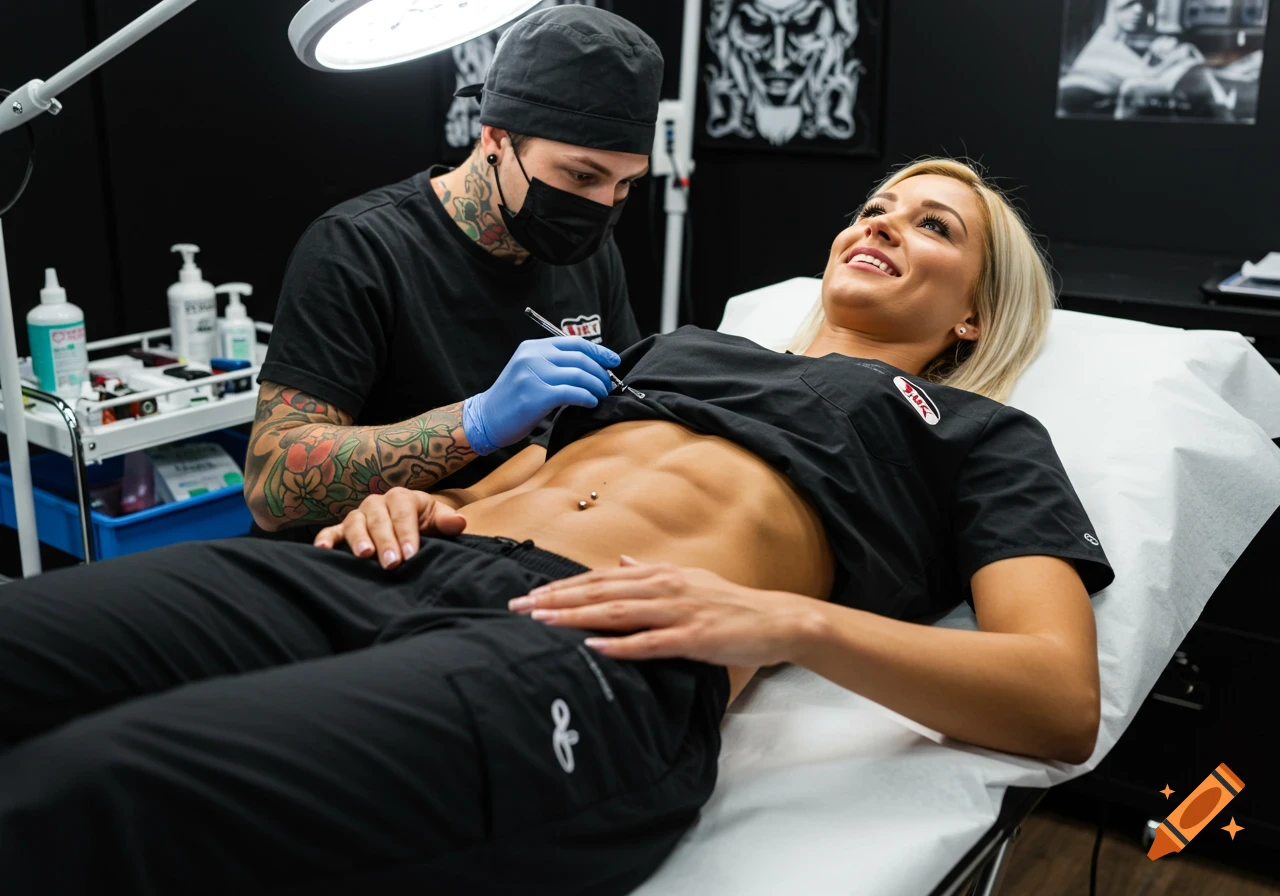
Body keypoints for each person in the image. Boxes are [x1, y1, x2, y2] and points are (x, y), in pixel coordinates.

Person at [0, 159, 1115, 895]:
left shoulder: (977, 433)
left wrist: (781, 618)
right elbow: (517, 475)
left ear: (970, 310)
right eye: (876, 205)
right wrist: (424, 494)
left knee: (98, 787)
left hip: (591, 642)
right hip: (385, 561)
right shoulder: (678, 348)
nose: (883, 223)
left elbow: (1055, 700)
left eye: (934, 226)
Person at [246, 5, 661, 543]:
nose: (604, 206)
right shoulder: (359, 247)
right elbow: (271, 484)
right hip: (366, 556)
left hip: (500, 535)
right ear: (495, 139)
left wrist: (464, 498)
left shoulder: (591, 253)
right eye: (582, 175)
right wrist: (474, 423)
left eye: (626, 185)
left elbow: (607, 426)